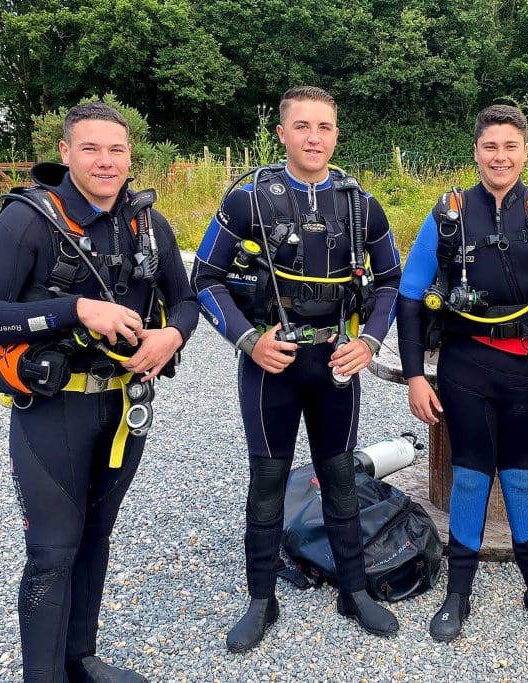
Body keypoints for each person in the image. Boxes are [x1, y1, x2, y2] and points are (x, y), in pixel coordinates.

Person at [0, 102, 198, 682]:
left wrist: (170, 335)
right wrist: (75, 309)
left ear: (130, 157)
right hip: (53, 409)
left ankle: (81, 659)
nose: (105, 161)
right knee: (52, 552)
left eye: (116, 150)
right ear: (65, 153)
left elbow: (187, 299)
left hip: (122, 405)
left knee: (97, 535)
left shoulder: (148, 224)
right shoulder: (26, 220)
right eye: (90, 148)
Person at [191, 86, 403, 652]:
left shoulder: (361, 205)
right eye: (302, 126)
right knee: (266, 482)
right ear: (281, 132)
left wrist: (371, 343)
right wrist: (247, 340)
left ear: (337, 134)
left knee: (339, 479)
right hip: (271, 362)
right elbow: (205, 279)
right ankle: (262, 597)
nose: (314, 137)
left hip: (336, 360)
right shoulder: (250, 201)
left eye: (325, 127)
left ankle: (354, 590)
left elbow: (391, 282)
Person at [396, 104, 528, 642]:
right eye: (491, 146)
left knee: (519, 476)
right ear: (476, 152)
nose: (500, 156)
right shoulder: (448, 214)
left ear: (525, 152)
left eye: (510, 146)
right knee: (468, 475)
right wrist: (417, 375)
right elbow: (411, 295)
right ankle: (458, 593)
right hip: (466, 364)